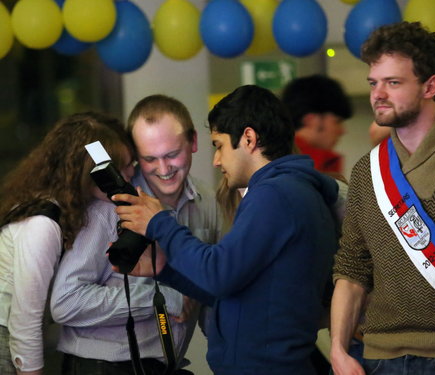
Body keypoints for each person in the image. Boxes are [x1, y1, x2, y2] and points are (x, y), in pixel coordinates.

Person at [113, 85, 339, 375]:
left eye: (219, 145)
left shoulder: (275, 195)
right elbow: (235, 291)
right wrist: (165, 269)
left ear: (248, 138)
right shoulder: (288, 191)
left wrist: (160, 222)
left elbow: (218, 274)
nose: (216, 160)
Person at [330, 21, 435, 375]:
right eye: (374, 83)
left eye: (393, 82)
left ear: (430, 86)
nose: (378, 94)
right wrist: (338, 350)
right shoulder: (367, 171)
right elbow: (352, 268)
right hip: (381, 357)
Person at [50, 94, 222, 375]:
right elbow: (66, 301)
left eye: (172, 155)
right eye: (149, 159)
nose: (164, 170)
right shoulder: (110, 207)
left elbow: (213, 285)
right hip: (100, 368)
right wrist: (163, 299)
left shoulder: (207, 202)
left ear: (193, 142)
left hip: (164, 366)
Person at [0, 111, 135, 375]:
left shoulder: (70, 208)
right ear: (94, 171)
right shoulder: (42, 224)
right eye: (123, 167)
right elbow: (24, 321)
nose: (130, 176)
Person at [281, 74, 353, 176]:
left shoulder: (266, 158)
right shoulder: (318, 164)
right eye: (337, 122)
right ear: (310, 120)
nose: (342, 131)